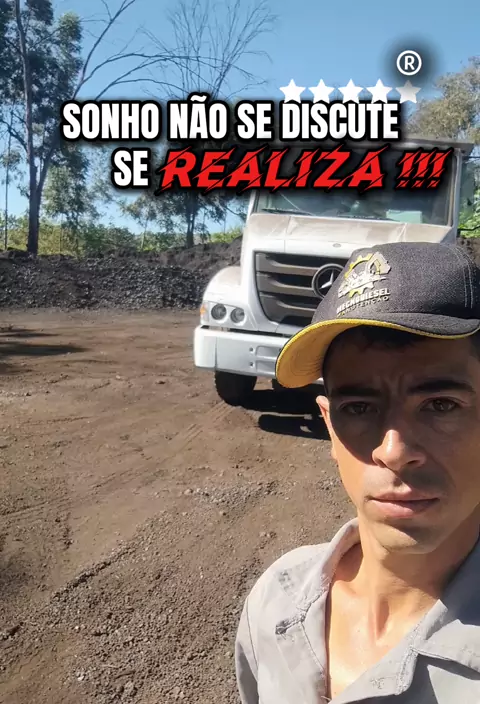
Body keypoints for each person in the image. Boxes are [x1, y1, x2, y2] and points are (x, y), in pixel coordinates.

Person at [234, 241, 480, 704]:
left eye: (441, 405)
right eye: (360, 408)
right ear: (329, 426)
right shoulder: (275, 602)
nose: (394, 451)